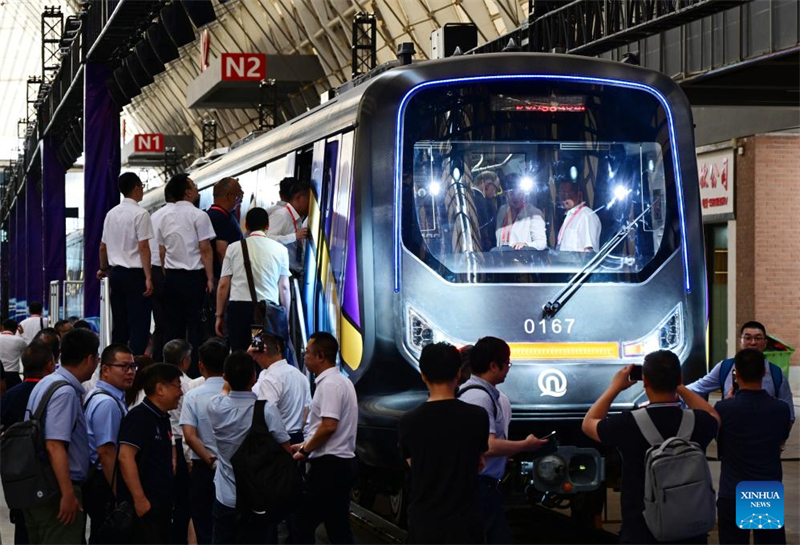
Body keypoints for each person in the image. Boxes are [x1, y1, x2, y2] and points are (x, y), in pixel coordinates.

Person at [582, 350, 720, 544]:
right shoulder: (698, 422)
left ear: (645, 381)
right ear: (679, 378)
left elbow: (589, 423)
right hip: (690, 531)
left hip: (641, 532)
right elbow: (713, 416)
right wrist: (679, 387)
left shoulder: (628, 423)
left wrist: (615, 387)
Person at [459, 336, 549, 543]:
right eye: (507, 363)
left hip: (487, 485)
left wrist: (505, 453)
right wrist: (524, 445)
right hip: (478, 486)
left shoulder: (492, 396)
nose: (508, 368)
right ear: (493, 365)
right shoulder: (478, 398)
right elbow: (487, 445)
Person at [399, 342, 489, 543]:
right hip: (465, 523)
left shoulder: (409, 421)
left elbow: (414, 466)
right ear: (458, 373)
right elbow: (479, 463)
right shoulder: (477, 416)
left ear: (423, 375)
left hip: (426, 523)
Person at [23, 328, 100, 544]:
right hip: (56, 490)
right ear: (90, 359)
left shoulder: (47, 382)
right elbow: (55, 445)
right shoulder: (64, 391)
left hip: (39, 485)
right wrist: (68, 494)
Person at [208, 351, 291, 544]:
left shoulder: (215, 407)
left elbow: (225, 390)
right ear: (254, 377)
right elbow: (285, 451)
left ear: (225, 377)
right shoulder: (267, 410)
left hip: (226, 497)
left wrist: (234, 369)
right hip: (259, 499)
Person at [714, 349, 792, 545]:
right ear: (764, 372)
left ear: (736, 374)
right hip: (765, 489)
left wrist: (728, 402)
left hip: (733, 488)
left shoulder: (724, 409)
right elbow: (781, 439)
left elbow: (720, 440)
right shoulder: (781, 409)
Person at [292, 332, 358, 545]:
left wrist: (305, 450)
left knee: (302, 525)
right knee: (338, 527)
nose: (304, 357)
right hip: (340, 464)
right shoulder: (341, 381)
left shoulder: (330, 384)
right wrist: (304, 443)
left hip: (329, 467)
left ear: (320, 356)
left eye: (307, 353)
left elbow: (329, 425)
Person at [118, 363, 183, 544]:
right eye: (177, 386)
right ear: (160, 389)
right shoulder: (139, 417)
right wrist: (139, 499)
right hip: (145, 508)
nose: (181, 393)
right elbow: (125, 457)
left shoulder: (162, 417)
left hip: (160, 506)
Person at [157, 173, 215, 371]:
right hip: (194, 278)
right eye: (193, 185)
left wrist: (168, 273)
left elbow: (162, 251)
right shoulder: (199, 216)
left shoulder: (165, 217)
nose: (197, 188)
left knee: (173, 327)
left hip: (172, 278)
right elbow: (205, 248)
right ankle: (194, 369)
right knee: (196, 326)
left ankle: (171, 369)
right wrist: (209, 278)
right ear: (188, 192)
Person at [1, 341, 56, 545]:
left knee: (23, 525)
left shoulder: (11, 395)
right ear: (51, 364)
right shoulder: (54, 393)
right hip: (46, 471)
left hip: (17, 471)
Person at [215, 207, 291, 352]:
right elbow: (284, 287)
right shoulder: (280, 250)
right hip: (263, 314)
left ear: (247, 226)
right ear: (267, 226)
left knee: (239, 353)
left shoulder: (233, 248)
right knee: (258, 351)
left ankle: (242, 374)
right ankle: (258, 374)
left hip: (239, 312)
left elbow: (223, 284)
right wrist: (285, 318)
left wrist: (219, 315)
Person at [687, 321, 794, 423]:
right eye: (747, 338)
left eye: (758, 338)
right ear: (740, 341)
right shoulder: (725, 368)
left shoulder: (777, 374)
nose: (753, 342)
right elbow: (696, 388)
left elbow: (789, 415)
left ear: (765, 342)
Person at [96, 172, 155, 355]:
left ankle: (116, 364)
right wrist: (148, 277)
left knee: (120, 325)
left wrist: (104, 268)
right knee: (139, 325)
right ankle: (135, 365)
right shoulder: (141, 213)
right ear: (136, 188)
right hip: (135, 275)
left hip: (116, 275)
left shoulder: (111, 214)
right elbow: (143, 247)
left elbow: (102, 247)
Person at [83, 344, 135, 543]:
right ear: (105, 369)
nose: (130, 372)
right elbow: (106, 452)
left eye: (132, 366)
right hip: (104, 481)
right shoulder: (107, 403)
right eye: (123, 367)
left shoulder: (106, 397)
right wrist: (119, 494)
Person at [179, 339, 229, 545]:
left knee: (203, 524)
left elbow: (189, 436)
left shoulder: (192, 396)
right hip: (234, 467)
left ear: (201, 366)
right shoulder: (238, 394)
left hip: (203, 466)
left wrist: (210, 461)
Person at [250, 334, 311, 444]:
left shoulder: (270, 378)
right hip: (298, 437)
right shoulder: (300, 375)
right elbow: (307, 410)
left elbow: (265, 416)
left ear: (260, 353)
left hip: (278, 441)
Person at [163, 339, 194, 544]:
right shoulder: (188, 385)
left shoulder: (156, 380)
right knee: (184, 500)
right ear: (185, 360)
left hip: (164, 442)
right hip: (183, 443)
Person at [149, 189, 175, 362]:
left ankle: (159, 360)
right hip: (171, 272)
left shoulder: (154, 216)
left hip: (154, 271)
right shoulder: (184, 216)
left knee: (160, 324)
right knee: (175, 323)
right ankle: (174, 360)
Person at [267, 180, 311, 272]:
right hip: (280, 273)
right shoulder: (282, 215)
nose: (310, 203)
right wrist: (293, 237)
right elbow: (266, 240)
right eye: (308, 198)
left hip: (291, 272)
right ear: (298, 197)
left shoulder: (297, 219)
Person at [494, 175, 547, 250]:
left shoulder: (534, 213)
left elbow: (541, 243)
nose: (516, 197)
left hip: (523, 259)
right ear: (506, 194)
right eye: (512, 193)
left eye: (519, 193)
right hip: (503, 260)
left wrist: (525, 245)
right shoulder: (502, 211)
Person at [207, 177, 244, 282]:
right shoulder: (220, 218)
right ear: (231, 196)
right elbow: (221, 250)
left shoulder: (212, 214)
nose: (242, 194)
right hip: (221, 278)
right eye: (240, 191)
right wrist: (230, 279)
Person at [556, 181, 601, 252]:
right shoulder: (569, 215)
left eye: (567, 194)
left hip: (579, 263)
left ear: (579, 195)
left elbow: (589, 252)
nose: (564, 198)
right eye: (561, 193)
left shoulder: (586, 215)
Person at [1, 318, 27, 389]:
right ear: (16, 330)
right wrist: (22, 334)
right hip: (13, 375)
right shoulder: (19, 340)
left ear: (3, 327)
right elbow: (27, 351)